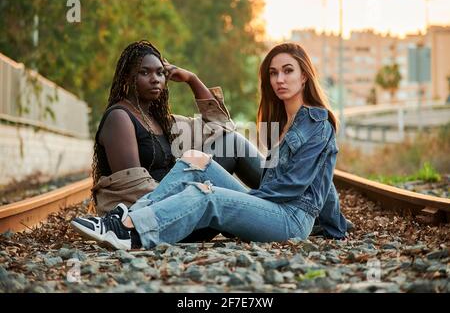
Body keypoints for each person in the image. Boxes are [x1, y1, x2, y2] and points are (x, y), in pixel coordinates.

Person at [71, 42, 348, 250]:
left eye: (288, 71)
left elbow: (294, 186)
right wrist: (336, 226)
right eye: (274, 73)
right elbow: (324, 181)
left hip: (289, 219)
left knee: (206, 194)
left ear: (304, 77)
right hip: (276, 209)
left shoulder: (316, 122)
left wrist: (248, 200)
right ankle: (126, 221)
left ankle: (131, 234)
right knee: (194, 159)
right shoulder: (288, 121)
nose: (279, 79)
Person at [88, 40, 264, 241]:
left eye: (160, 73)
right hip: (154, 220)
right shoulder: (120, 118)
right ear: (128, 77)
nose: (155, 79)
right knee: (223, 168)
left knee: (231, 142)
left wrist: (192, 79)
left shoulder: (160, 121)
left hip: (179, 207)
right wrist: (191, 194)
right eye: (145, 72)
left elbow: (221, 125)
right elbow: (136, 192)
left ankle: (278, 206)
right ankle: (271, 214)